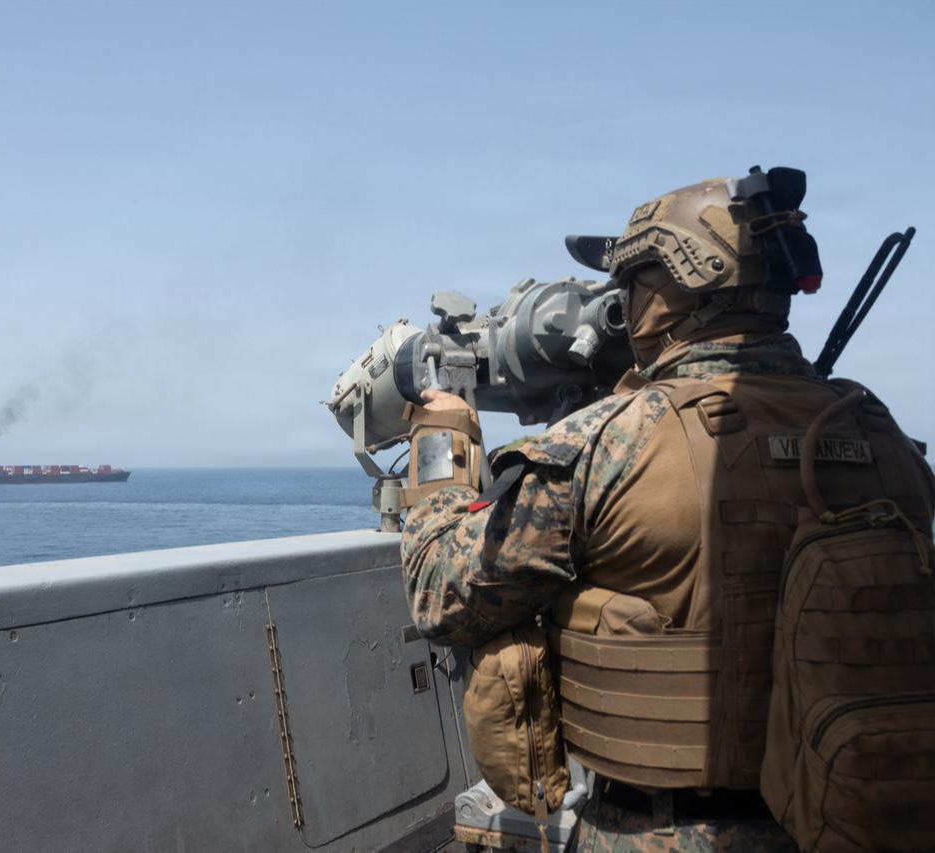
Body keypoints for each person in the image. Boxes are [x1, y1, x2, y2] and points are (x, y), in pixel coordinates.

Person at [400, 171, 935, 850]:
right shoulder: (880, 435)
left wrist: (438, 452)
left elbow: (440, 593)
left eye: (632, 283)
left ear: (665, 294)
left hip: (665, 831)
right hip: (864, 821)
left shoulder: (611, 442)